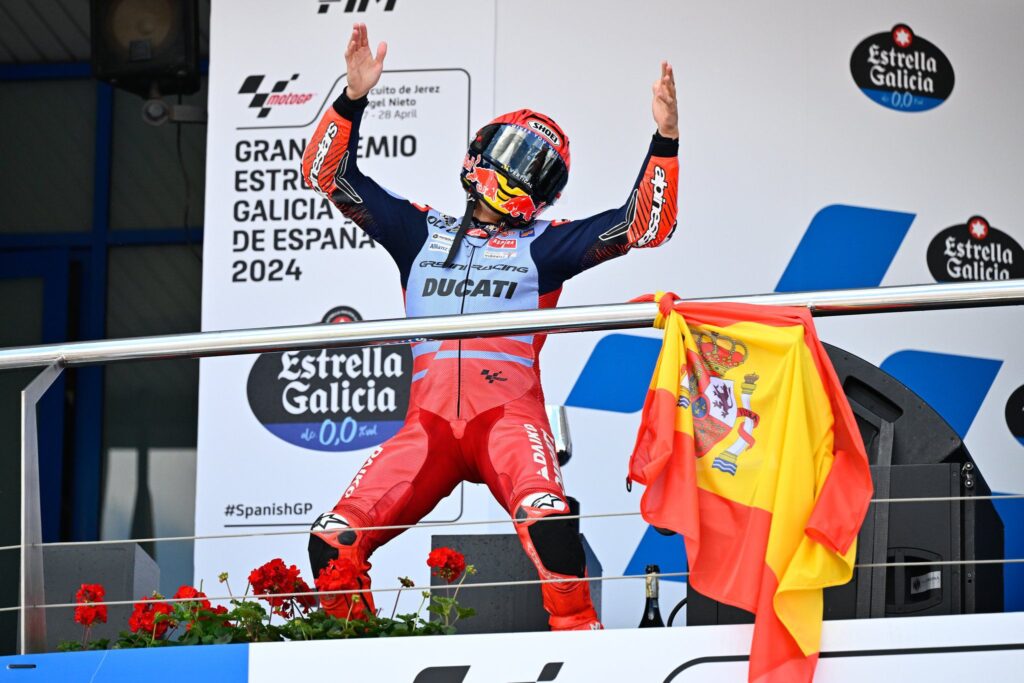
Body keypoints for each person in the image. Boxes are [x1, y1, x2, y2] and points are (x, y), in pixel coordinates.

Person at [302, 22, 679, 631]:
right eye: (513, 155)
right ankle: (364, 655)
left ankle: (590, 658)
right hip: (425, 430)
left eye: (539, 168)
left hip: (509, 422)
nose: (520, 173)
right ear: (481, 152)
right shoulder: (419, 231)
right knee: (332, 544)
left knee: (552, 530)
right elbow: (328, 178)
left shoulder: (546, 247)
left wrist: (664, 139)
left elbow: (645, 224)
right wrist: (352, 99)